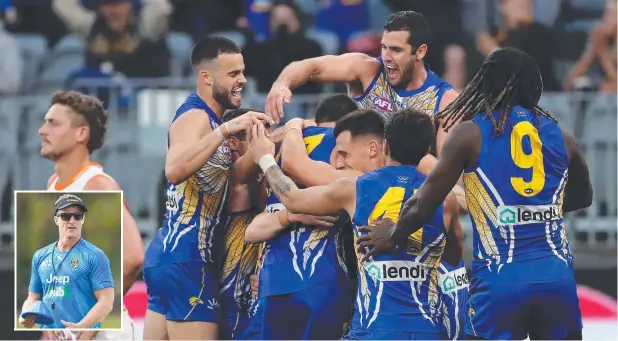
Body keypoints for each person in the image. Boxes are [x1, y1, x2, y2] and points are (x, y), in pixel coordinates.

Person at [358, 47, 593, 340]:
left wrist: (393, 235)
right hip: (556, 278)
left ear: (486, 84)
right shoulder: (562, 136)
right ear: (535, 87)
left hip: (499, 281)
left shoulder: (471, 134)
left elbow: (423, 204)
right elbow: (583, 197)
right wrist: (539, 208)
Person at [250, 108, 462, 340]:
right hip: (427, 330)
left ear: (385, 146)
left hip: (372, 329)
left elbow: (292, 198)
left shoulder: (355, 187)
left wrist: (265, 158)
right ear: (427, 151)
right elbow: (453, 256)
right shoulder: (447, 200)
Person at [142, 36, 272, 340]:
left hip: (170, 256)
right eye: (233, 74)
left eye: (242, 72)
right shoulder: (196, 116)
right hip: (189, 257)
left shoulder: (210, 120)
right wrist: (226, 130)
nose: (242, 80)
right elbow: (174, 170)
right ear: (206, 77)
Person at [243, 95, 360, 340]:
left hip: (273, 286)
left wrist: (293, 126)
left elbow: (251, 230)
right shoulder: (345, 152)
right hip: (326, 284)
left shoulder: (274, 150)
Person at [265, 10, 458, 157]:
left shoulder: (445, 100)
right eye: (384, 47)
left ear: (420, 52)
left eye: (396, 50)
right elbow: (312, 66)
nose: (387, 57)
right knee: (309, 129)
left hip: (405, 194)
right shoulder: (367, 70)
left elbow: (446, 171)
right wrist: (282, 84)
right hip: (348, 176)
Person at [38, 90, 143, 341]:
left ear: (81, 133)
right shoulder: (53, 184)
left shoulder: (98, 184)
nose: (42, 130)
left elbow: (133, 257)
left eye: (53, 123)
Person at [19, 194, 114, 330]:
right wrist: (25, 314)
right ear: (56, 220)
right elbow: (33, 297)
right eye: (66, 216)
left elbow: (106, 302)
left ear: (83, 219)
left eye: (78, 215)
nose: (72, 221)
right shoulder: (40, 256)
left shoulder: (95, 255)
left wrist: (81, 326)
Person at [218, 108, 268, 340]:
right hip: (230, 293)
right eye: (257, 134)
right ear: (232, 143)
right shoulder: (232, 177)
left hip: (253, 290)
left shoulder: (261, 176)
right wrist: (296, 125)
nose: (266, 142)